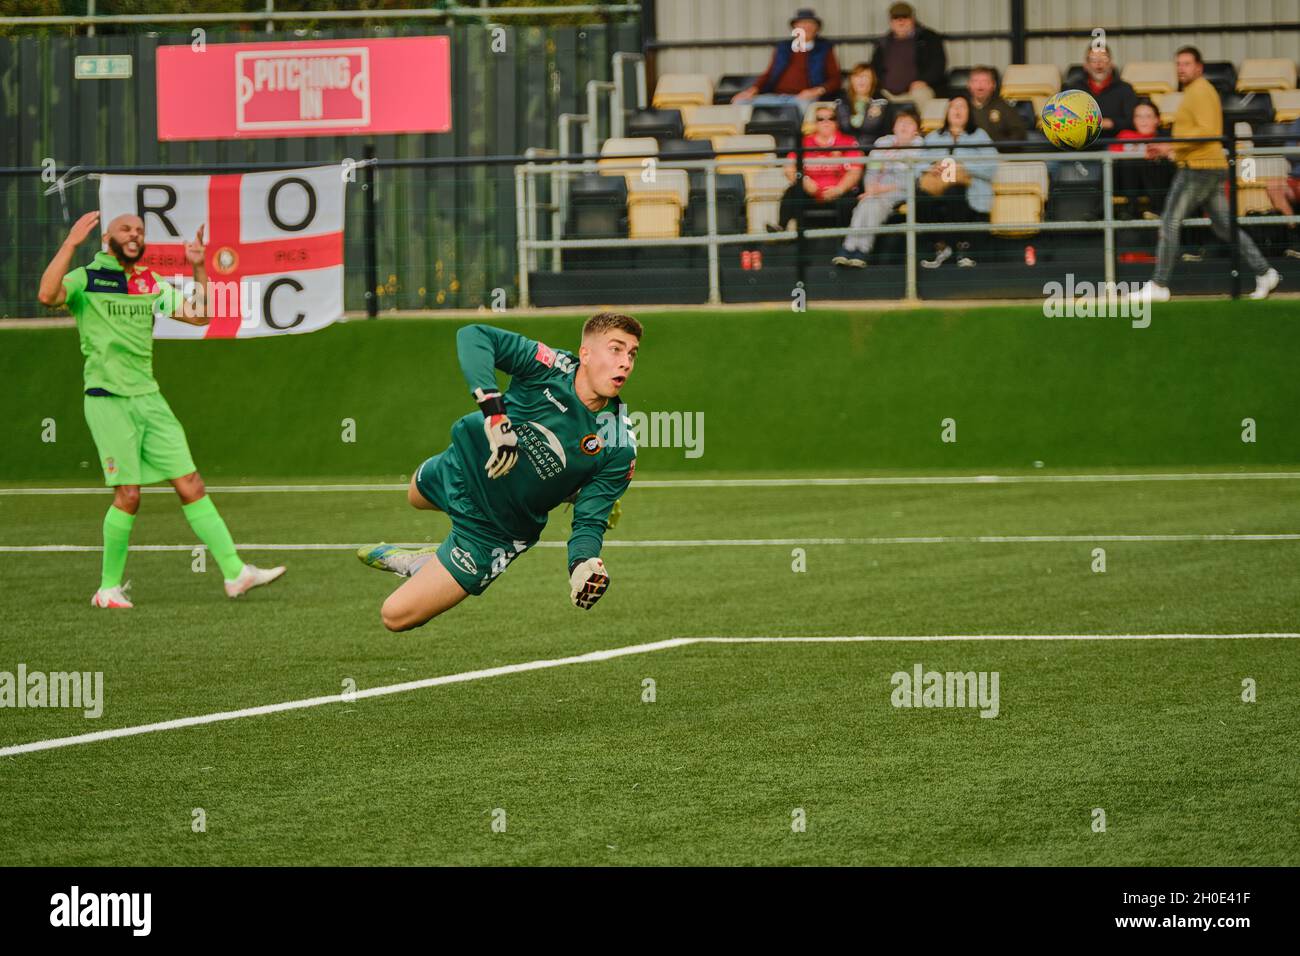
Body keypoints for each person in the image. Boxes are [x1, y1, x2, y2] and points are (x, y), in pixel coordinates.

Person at [35, 211, 286, 608]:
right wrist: (69, 243)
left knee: (192, 485)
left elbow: (200, 314)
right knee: (129, 496)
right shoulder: (87, 278)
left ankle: (235, 573)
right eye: (125, 230)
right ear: (107, 238)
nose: (134, 235)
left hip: (150, 400)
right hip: (107, 400)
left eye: (139, 230)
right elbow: (47, 295)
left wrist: (199, 267)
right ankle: (107, 589)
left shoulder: (148, 281)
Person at [358, 316, 641, 632]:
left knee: (395, 615)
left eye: (631, 354)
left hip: (495, 530)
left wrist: (582, 564)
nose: (625, 363)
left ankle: (422, 564)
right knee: (413, 494)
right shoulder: (549, 366)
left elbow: (590, 522)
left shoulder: (619, 444)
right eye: (616, 349)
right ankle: (435, 560)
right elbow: (473, 335)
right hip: (465, 467)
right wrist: (495, 417)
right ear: (585, 354)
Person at [1137, 47, 1279, 301]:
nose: (1181, 68)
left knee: (1169, 220)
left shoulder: (1200, 92)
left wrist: (1170, 146)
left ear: (1199, 68)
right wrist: (1171, 150)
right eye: (1178, 64)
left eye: (1187, 64)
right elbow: (1199, 133)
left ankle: (1159, 284)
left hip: (1199, 167)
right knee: (1225, 227)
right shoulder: (1195, 92)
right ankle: (1265, 271)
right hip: (1206, 165)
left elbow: (1207, 131)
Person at [834, 108, 925, 267]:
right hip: (875, 190)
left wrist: (879, 190)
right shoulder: (882, 143)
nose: (903, 127)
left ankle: (858, 249)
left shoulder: (920, 148)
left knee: (873, 205)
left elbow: (912, 181)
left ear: (916, 130)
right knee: (866, 204)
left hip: (900, 191)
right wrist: (870, 189)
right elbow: (872, 169)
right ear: (894, 127)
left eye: (909, 124)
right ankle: (852, 249)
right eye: (900, 123)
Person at [915, 93, 997, 268]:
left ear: (969, 113)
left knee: (955, 192)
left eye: (962, 107)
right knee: (920, 196)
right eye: (953, 106)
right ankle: (941, 247)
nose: (957, 110)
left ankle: (961, 248)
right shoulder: (933, 136)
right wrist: (930, 168)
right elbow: (916, 164)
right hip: (936, 189)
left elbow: (992, 166)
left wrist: (963, 167)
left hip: (969, 189)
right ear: (947, 112)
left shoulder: (979, 135)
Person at [774, 105, 864, 231]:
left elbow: (855, 172)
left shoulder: (848, 142)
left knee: (848, 199)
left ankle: (846, 240)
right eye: (821, 119)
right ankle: (780, 230)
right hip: (811, 192)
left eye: (831, 118)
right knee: (792, 191)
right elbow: (789, 167)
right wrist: (804, 181)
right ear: (815, 123)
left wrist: (839, 189)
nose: (826, 122)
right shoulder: (804, 142)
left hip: (839, 192)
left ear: (836, 122)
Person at [732, 7, 841, 107]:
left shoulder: (824, 49)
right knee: (740, 102)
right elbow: (769, 74)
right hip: (777, 97)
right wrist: (751, 91)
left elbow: (835, 80)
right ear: (795, 27)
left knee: (803, 108)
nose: (806, 27)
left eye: (810, 23)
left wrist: (815, 91)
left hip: (803, 99)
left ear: (817, 28)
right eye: (802, 23)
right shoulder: (783, 48)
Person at [869, 2, 946, 106]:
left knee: (922, 95)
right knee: (872, 100)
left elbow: (939, 64)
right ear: (891, 22)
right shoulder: (883, 43)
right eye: (896, 18)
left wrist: (924, 81)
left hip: (917, 91)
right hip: (886, 93)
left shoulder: (929, 38)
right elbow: (874, 68)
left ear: (912, 19)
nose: (901, 21)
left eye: (905, 17)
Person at [1110, 98, 1174, 218]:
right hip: (1124, 183)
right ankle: (1127, 209)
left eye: (1148, 116)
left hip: (1156, 184)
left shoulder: (1165, 139)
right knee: (1129, 162)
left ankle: (1157, 210)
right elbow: (1113, 156)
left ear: (1157, 120)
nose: (1143, 121)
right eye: (1138, 116)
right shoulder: (1125, 135)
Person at [1064, 44, 1137, 142]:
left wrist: (1110, 123)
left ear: (1111, 63)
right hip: (1080, 143)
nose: (1099, 64)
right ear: (1086, 65)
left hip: (1115, 143)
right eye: (1093, 60)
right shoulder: (1072, 89)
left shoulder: (1125, 89)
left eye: (1104, 59)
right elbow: (1062, 117)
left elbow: (1133, 121)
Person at [1261, 115, 1300, 257]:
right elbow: (1290, 153)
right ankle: (1295, 236)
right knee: (1273, 185)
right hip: (1296, 178)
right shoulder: (1298, 122)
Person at [967, 66, 1026, 149]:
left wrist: (997, 146)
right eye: (975, 81)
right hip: (967, 155)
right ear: (969, 85)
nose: (980, 85)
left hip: (1000, 156)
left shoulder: (1004, 107)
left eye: (985, 81)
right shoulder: (962, 107)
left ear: (993, 85)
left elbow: (1019, 134)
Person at [836, 63, 892, 148]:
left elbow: (887, 131)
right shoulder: (841, 100)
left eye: (866, 77)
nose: (862, 80)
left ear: (873, 80)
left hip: (874, 149)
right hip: (847, 149)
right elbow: (841, 128)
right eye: (858, 76)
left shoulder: (881, 101)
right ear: (851, 79)